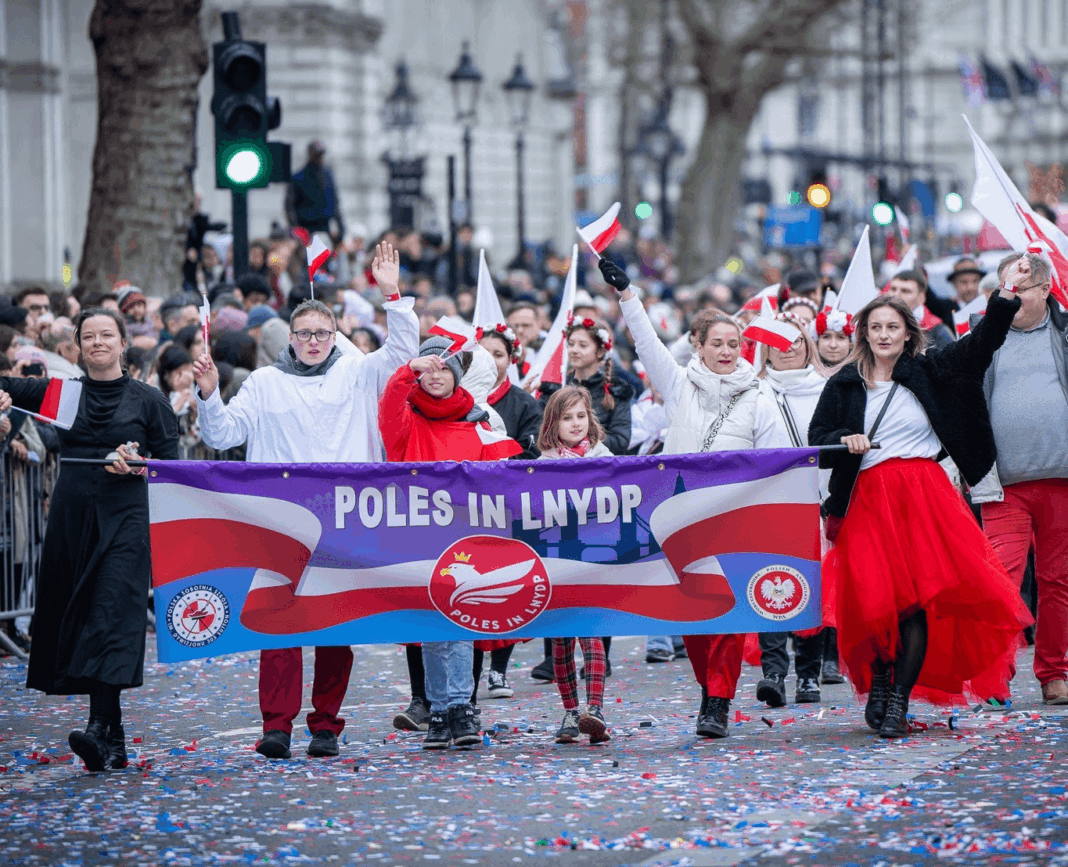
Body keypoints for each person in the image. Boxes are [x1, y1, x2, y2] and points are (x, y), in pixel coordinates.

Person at [192, 244, 418, 760]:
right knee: (279, 623)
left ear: (335, 335)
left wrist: (392, 294)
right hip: (280, 519)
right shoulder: (264, 383)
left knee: (335, 624)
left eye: (323, 333)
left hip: (342, 516)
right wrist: (209, 393)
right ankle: (277, 724)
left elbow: (403, 353)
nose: (314, 342)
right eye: (305, 334)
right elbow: (224, 434)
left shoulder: (359, 370)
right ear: (289, 338)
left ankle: (326, 725)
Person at [808, 286, 1031, 738]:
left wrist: (1005, 297)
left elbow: (982, 342)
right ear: (864, 334)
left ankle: (898, 699)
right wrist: (845, 438)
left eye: (893, 327)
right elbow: (818, 442)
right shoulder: (845, 382)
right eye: (876, 328)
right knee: (874, 601)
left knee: (912, 604)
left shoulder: (931, 369)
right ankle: (883, 680)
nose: (884, 335)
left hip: (922, 499)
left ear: (909, 334)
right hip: (866, 499)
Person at [0, 309, 179, 770]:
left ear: (123, 344)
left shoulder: (147, 400)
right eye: (88, 336)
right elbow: (5, 388)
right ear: (76, 346)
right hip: (72, 519)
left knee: (113, 614)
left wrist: (139, 461)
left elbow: (172, 464)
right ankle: (112, 739)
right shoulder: (60, 393)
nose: (98, 342)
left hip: (126, 519)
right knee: (82, 616)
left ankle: (99, 729)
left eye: (107, 335)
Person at [607, 258, 779, 738]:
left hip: (732, 520)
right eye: (716, 343)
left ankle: (717, 701)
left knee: (728, 613)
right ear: (697, 347)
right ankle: (710, 687)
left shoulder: (759, 397)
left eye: (734, 344)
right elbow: (646, 344)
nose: (726, 351)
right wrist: (627, 297)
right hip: (679, 519)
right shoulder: (678, 386)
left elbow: (774, 461)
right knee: (693, 618)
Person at [377, 338, 521, 749]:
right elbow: (389, 404)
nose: (436, 375)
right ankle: (439, 710)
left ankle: (459, 708)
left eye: (445, 367)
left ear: (457, 373)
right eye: (430, 368)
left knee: (460, 623)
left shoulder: (480, 425)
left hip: (465, 542)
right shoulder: (406, 421)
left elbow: (500, 483)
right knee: (432, 625)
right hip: (418, 538)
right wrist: (409, 368)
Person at [969, 252, 1068, 706]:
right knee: (1001, 582)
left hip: (1061, 481)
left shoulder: (1064, 334)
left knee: (1058, 582)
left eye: (1019, 290)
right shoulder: (984, 335)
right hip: (1001, 484)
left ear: (1046, 290)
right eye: (1003, 289)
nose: (1009, 299)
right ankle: (995, 676)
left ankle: (1054, 673)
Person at [755, 313, 829, 706]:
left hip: (816, 502)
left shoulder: (828, 389)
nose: (787, 349)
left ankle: (809, 675)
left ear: (807, 345)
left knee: (811, 589)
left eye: (795, 341)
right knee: (770, 585)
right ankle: (773, 672)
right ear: (765, 348)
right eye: (778, 342)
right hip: (768, 504)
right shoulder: (753, 392)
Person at [536, 386, 611, 744]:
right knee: (562, 639)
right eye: (567, 418)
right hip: (555, 558)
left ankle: (594, 711)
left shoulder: (605, 456)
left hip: (593, 555)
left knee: (591, 631)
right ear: (553, 424)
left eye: (581, 415)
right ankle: (570, 710)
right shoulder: (542, 466)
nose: (576, 423)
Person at [285, 140, 344, 245]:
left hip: (326, 227)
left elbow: (335, 202)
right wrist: (296, 229)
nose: (319, 158)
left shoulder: (327, 175)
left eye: (320, 155)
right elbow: (290, 205)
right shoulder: (298, 177)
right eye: (316, 155)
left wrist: (341, 227)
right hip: (306, 228)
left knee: (325, 258)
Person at [887, 270, 955, 349]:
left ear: (921, 298)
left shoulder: (938, 332)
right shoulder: (876, 326)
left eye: (905, 291)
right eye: (893, 289)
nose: (896, 295)